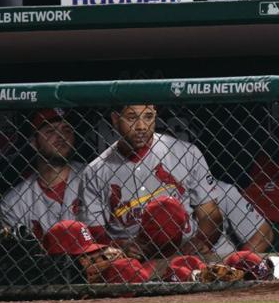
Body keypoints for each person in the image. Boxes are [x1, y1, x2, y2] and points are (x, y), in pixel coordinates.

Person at [77, 104, 223, 255]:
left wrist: (201, 240)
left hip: (182, 251)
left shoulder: (186, 153)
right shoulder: (95, 171)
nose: (141, 126)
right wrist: (116, 248)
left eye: (148, 117)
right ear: (115, 119)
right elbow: (93, 231)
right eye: (132, 118)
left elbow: (210, 215)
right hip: (129, 260)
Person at [0, 109, 82, 241]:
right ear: (33, 142)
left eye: (67, 130)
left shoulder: (95, 176)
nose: (61, 136)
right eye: (50, 131)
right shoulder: (14, 202)